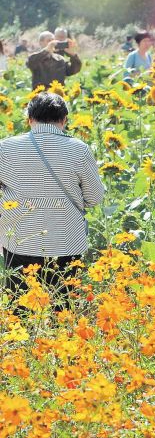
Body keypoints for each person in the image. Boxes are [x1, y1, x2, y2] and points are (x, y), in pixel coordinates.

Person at [0, 93, 105, 312]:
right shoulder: (79, 149)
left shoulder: (5, 148)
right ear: (64, 120)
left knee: (21, 310)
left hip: (20, 239)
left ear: (29, 119)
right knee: (63, 309)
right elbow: (95, 198)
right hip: (66, 241)